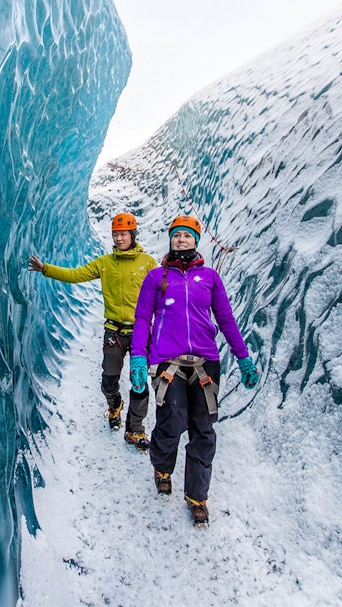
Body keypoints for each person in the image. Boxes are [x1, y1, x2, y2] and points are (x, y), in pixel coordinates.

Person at [128, 215, 259, 525]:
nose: (181, 240)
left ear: (196, 241)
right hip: (167, 363)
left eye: (187, 236)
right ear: (170, 240)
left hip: (206, 364)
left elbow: (225, 319)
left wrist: (243, 357)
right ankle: (162, 467)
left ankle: (197, 496)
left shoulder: (210, 278)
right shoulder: (156, 277)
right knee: (171, 419)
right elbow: (143, 319)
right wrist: (137, 357)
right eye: (176, 236)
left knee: (204, 428)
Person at [28, 212, 158, 450]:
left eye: (123, 234)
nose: (119, 239)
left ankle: (135, 430)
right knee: (108, 381)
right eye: (116, 234)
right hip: (114, 332)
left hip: (140, 331)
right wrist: (45, 269)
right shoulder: (105, 263)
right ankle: (114, 404)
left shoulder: (148, 263)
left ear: (133, 235)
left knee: (139, 382)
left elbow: (162, 292)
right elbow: (76, 275)